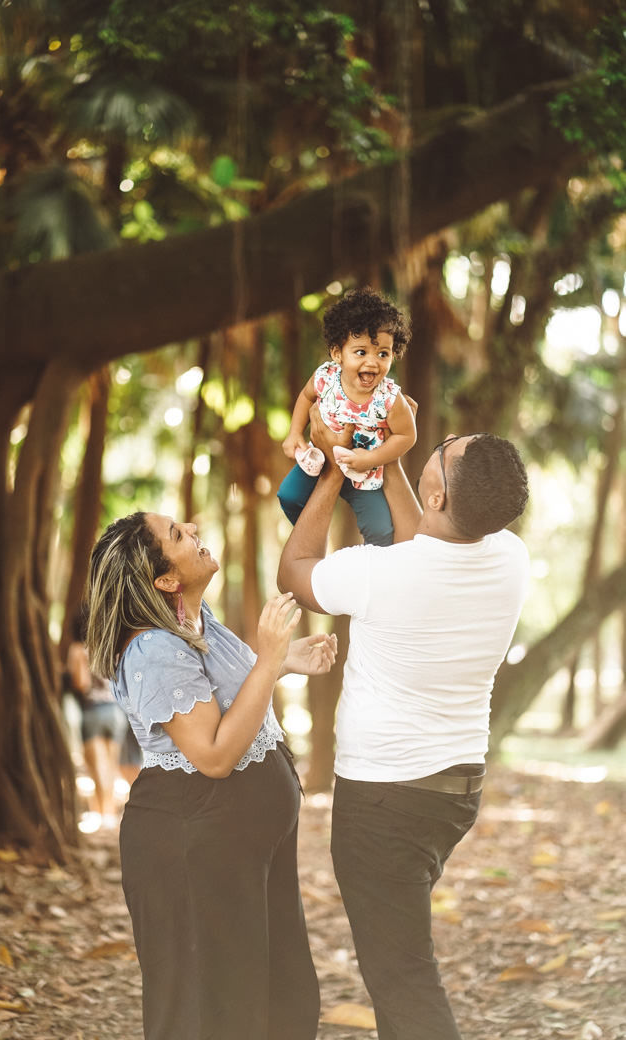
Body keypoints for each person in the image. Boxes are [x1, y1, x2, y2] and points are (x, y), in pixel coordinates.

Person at [277, 405, 530, 1040]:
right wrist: (386, 460)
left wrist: (336, 471)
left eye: (440, 450)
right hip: (454, 793)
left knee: (404, 979)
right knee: (400, 970)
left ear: (437, 489)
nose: (434, 445)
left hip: (386, 805)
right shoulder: (509, 558)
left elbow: (295, 573)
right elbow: (427, 542)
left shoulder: (379, 575)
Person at [85, 510, 337, 1040]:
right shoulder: (153, 649)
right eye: (178, 536)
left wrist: (285, 660)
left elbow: (230, 693)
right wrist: (269, 662)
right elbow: (215, 754)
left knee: (279, 994)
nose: (194, 533)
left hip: (243, 848)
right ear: (166, 579)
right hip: (192, 849)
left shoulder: (196, 622)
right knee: (216, 1012)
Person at [278, 286, 416, 546]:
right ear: (337, 353)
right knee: (288, 496)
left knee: (381, 530)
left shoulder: (389, 398)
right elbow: (307, 396)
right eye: (361, 352)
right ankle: (316, 538)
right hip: (322, 463)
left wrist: (371, 459)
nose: (373, 362)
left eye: (383, 353)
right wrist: (294, 432)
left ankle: (369, 573)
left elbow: (407, 435)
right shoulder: (326, 377)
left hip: (364, 474)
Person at [66, 612, 128, 828]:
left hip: (92, 712)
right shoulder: (109, 646)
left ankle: (101, 815)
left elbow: (81, 683)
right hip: (116, 712)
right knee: (110, 765)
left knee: (96, 767)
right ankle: (109, 814)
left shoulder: (78, 649)